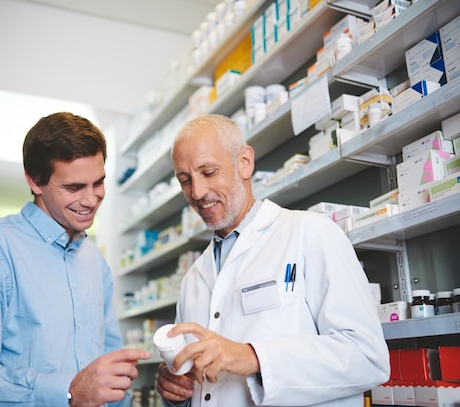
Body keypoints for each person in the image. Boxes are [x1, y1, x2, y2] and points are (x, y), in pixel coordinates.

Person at [155, 114, 390, 406]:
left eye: (209, 171)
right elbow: (201, 389)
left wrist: (254, 357)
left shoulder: (311, 234)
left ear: (244, 162)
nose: (197, 192)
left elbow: (368, 357)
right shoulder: (193, 278)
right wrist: (175, 392)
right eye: (185, 180)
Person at [0, 112, 151, 407]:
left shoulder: (94, 261)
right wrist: (69, 391)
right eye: (74, 188)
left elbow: (109, 373)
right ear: (35, 181)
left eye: (98, 183)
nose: (91, 200)